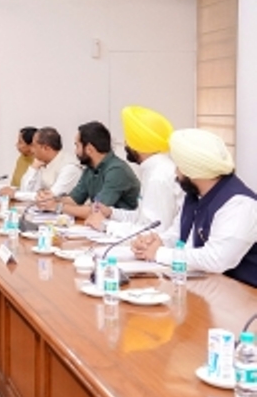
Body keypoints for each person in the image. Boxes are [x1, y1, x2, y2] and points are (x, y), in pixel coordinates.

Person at [131, 128, 257, 287]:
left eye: (178, 166)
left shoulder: (239, 204)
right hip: (206, 286)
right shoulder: (194, 195)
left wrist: (159, 253)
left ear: (192, 170)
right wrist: (157, 242)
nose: (175, 172)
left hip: (243, 295)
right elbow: (178, 236)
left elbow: (216, 260)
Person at [86, 106, 183, 237]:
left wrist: (106, 225)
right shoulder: (153, 168)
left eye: (128, 140)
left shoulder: (158, 176)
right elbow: (142, 218)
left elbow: (153, 231)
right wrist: (111, 213)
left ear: (138, 143)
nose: (125, 144)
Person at [39, 121, 140, 219]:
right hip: (102, 224)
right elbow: (74, 199)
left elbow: (97, 210)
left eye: (77, 146)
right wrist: (50, 200)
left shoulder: (117, 171)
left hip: (124, 227)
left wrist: (57, 207)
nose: (75, 151)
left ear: (89, 149)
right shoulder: (90, 169)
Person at [0, 127, 81, 201]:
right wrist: (33, 168)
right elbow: (26, 190)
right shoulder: (43, 161)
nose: (32, 150)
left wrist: (15, 194)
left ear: (46, 148)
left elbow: (50, 196)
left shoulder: (69, 167)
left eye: (34, 146)